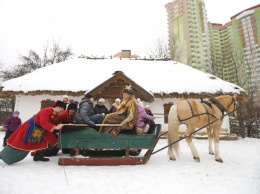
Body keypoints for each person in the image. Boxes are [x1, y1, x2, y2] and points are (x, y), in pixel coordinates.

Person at [0, 100, 66, 165]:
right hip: (30, 128)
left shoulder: (55, 114)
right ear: (58, 107)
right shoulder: (46, 110)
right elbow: (44, 122)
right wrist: (55, 127)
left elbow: (53, 122)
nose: (60, 112)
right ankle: (2, 155)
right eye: (61, 110)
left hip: (40, 130)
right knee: (20, 144)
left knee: (52, 141)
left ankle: (38, 155)